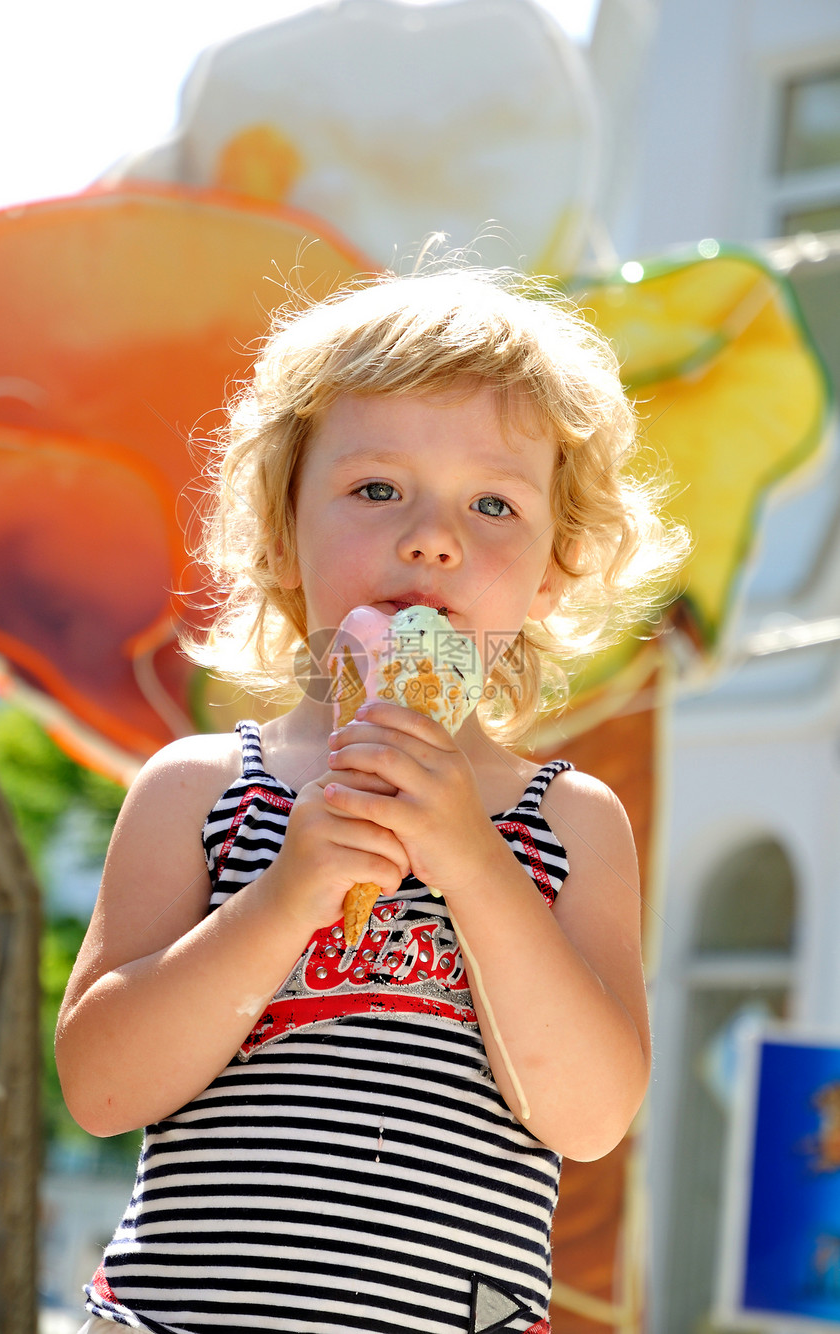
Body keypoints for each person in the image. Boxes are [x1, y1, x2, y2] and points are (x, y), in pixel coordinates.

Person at [57, 266, 688, 1334]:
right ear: (276, 533)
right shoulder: (200, 788)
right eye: (376, 488)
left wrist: (473, 862)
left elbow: (586, 1116)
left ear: (550, 570)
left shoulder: (568, 820)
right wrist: (288, 887)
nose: (432, 537)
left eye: (492, 503)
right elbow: (104, 1087)